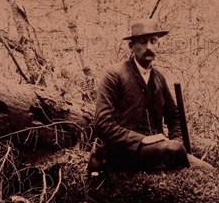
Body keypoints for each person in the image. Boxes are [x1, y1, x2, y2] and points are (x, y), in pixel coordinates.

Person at [88, 18, 212, 174]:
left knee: (210, 171)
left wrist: (178, 143)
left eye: (153, 41)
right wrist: (141, 140)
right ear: (131, 46)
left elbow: (174, 116)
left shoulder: (159, 78)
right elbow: (102, 124)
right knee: (171, 149)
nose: (149, 47)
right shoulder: (114, 75)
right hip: (122, 153)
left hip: (157, 151)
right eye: (142, 42)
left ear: (158, 45)